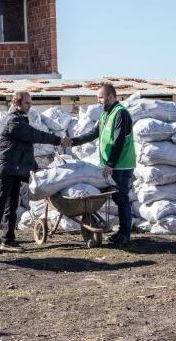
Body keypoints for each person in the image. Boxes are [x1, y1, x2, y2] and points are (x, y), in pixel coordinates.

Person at [0, 91, 71, 253]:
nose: (30, 106)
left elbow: (24, 150)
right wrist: (58, 140)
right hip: (5, 169)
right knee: (0, 204)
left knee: (12, 206)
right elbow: (33, 135)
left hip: (14, 169)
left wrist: (35, 167)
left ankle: (7, 240)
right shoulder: (13, 120)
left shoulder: (20, 119)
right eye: (27, 103)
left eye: (30, 103)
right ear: (17, 103)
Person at [71, 83, 136, 247]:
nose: (99, 101)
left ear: (111, 97)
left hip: (120, 166)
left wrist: (110, 163)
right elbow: (93, 134)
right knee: (117, 198)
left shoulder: (121, 114)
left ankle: (125, 235)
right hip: (112, 165)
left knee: (122, 200)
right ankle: (121, 233)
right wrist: (73, 141)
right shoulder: (106, 115)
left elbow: (118, 141)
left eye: (101, 97)